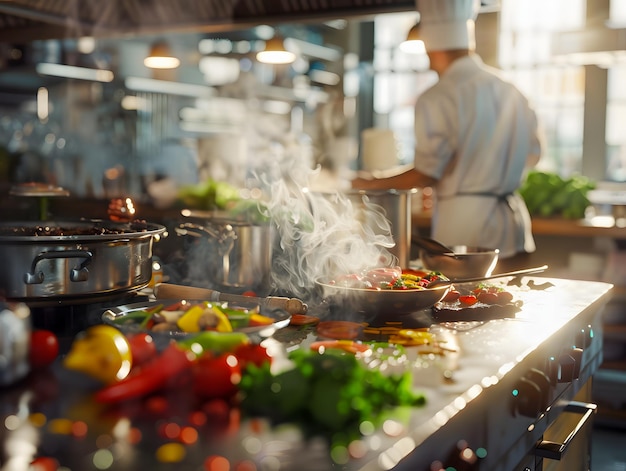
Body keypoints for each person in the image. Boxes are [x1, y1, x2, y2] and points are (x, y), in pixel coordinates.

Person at [352, 0, 542, 271]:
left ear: (432, 47)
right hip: (514, 225)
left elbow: (428, 172)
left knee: (460, 307)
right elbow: (535, 154)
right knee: (510, 304)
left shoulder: (437, 96)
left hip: (465, 228)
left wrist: (367, 182)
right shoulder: (512, 90)